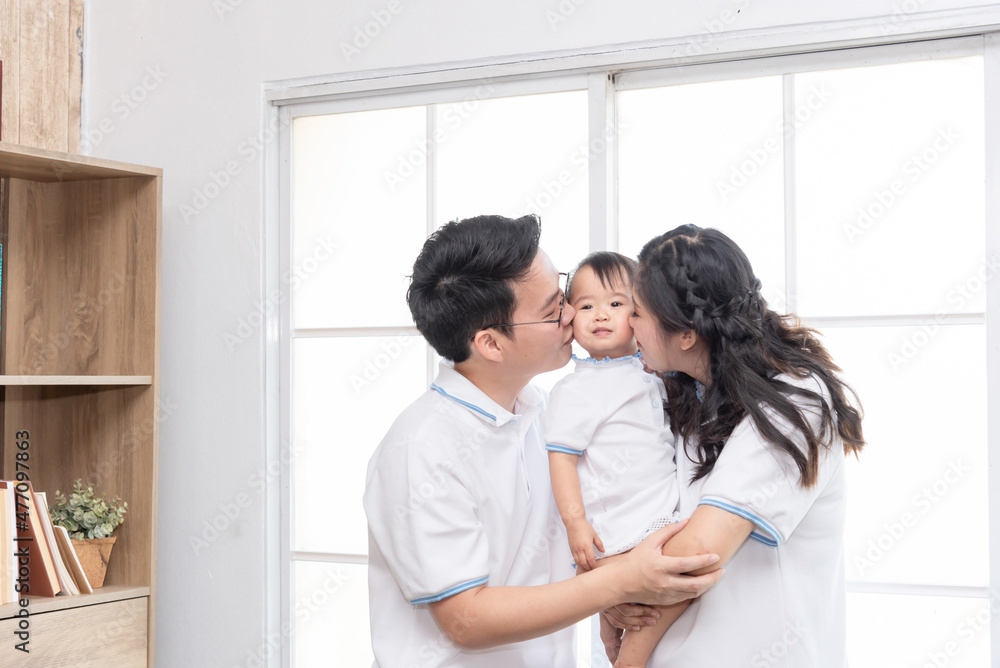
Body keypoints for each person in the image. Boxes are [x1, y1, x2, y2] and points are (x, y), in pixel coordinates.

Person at [363, 215, 725, 668]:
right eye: (555, 308)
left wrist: (616, 590)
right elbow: (465, 621)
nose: (574, 315)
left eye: (563, 294)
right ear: (491, 344)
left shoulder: (541, 409)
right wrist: (619, 583)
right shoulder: (421, 451)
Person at [602, 224, 865, 667]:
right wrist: (614, 597)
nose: (627, 323)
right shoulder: (688, 391)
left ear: (687, 335)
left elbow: (696, 552)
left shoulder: (795, 402)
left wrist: (613, 595)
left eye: (638, 312)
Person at [544, 251, 684, 668]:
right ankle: (622, 659)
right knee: (646, 604)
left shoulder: (651, 370)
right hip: (618, 525)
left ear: (640, 314)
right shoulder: (577, 390)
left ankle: (617, 647)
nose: (600, 315)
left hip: (659, 512)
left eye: (616, 304)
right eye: (586, 306)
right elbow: (561, 459)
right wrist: (575, 523)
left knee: (652, 604)